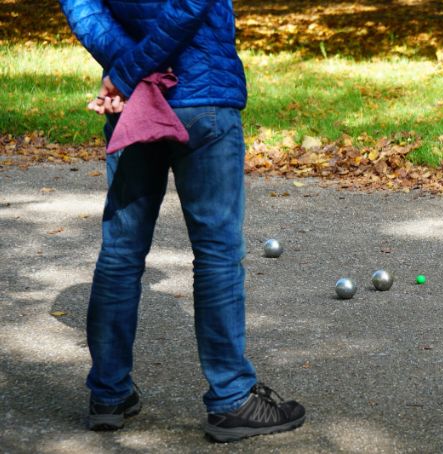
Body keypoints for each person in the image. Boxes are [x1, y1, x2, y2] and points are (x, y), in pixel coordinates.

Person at [58, 0, 305, 443]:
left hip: (129, 98)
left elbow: (84, 10)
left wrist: (129, 71)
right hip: (200, 96)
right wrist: (137, 69)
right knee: (217, 253)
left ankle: (109, 394)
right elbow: (188, 6)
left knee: (120, 251)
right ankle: (232, 399)